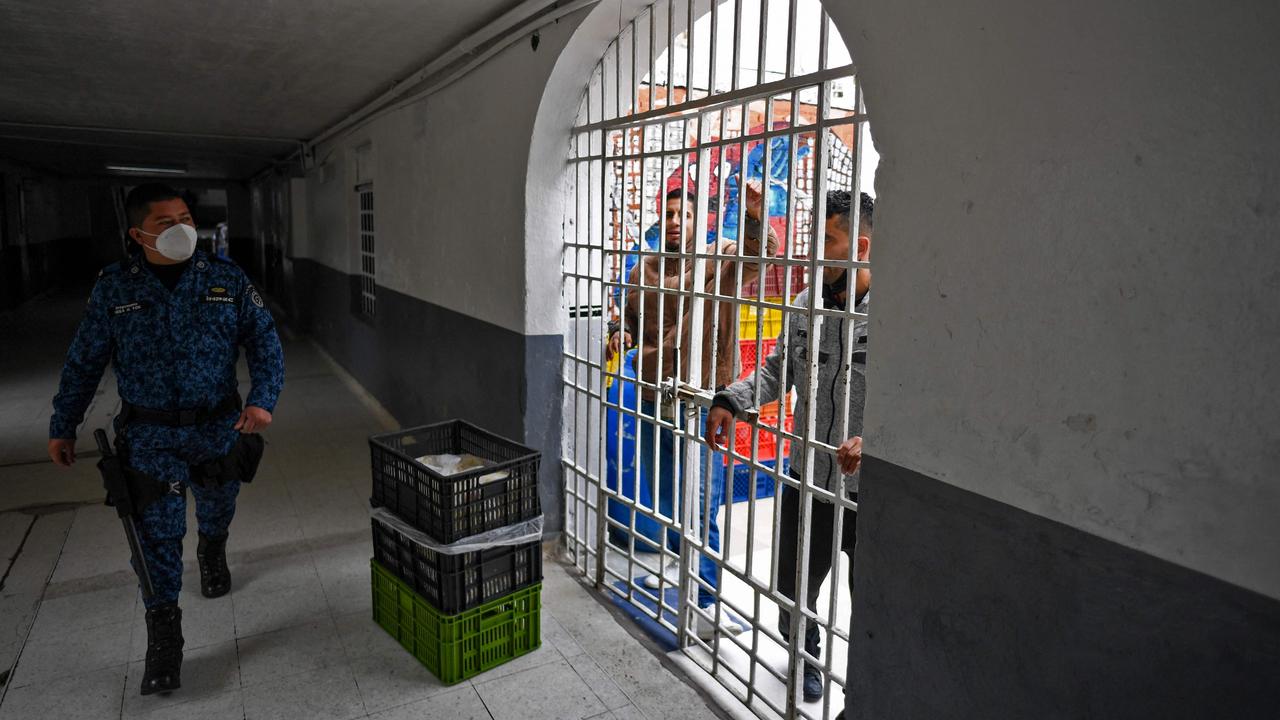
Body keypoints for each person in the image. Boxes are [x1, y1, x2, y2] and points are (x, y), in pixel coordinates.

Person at [47, 183, 284, 696]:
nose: (180, 229)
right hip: (149, 435)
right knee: (155, 536)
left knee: (218, 504)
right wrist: (63, 424)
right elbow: (84, 361)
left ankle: (213, 548)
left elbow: (264, 340)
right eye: (164, 223)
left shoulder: (225, 277)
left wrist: (262, 399)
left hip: (220, 427)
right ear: (137, 234)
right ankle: (165, 639)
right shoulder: (114, 288)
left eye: (184, 218)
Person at [706, 190, 873, 702]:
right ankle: (805, 656)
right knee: (792, 582)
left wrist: (876, 441)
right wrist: (730, 399)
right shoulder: (805, 306)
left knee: (870, 597)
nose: (815, 251)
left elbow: (919, 396)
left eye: (830, 240)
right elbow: (780, 370)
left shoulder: (898, 316)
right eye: (814, 239)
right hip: (806, 473)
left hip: (870, 490)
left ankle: (864, 688)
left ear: (860, 246)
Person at [607, 184, 778, 639]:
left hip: (702, 402)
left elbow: (759, 259)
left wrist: (755, 218)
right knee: (665, 499)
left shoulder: (719, 256)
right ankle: (678, 576)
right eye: (669, 212)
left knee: (701, 504)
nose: (676, 220)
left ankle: (704, 597)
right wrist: (620, 332)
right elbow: (626, 317)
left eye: (685, 212)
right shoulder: (643, 268)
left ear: (700, 218)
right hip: (653, 397)